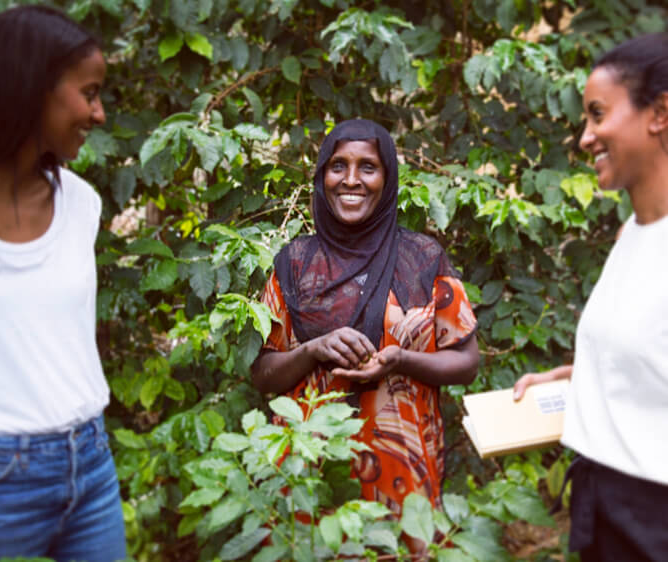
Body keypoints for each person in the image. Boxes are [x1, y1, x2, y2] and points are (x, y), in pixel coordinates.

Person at [251, 119, 479, 543]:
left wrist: (401, 360)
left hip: (402, 476)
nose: (351, 179)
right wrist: (313, 349)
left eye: (368, 167)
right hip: (310, 473)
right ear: (322, 176)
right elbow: (263, 374)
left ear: (387, 177)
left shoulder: (424, 258)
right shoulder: (295, 262)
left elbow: (467, 362)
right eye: (338, 166)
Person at [0, 6, 126, 561]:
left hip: (90, 464)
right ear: (33, 90)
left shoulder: (81, 202)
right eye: (89, 93)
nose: (99, 113)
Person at [523, 33, 668, 560]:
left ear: (660, 113)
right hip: (599, 506)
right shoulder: (633, 232)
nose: (585, 137)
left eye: (598, 114)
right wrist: (579, 377)